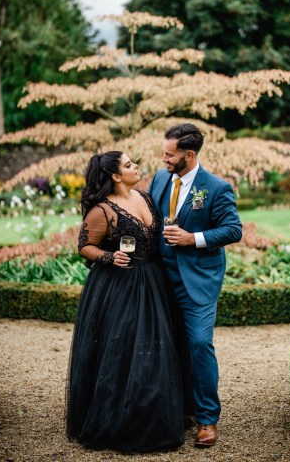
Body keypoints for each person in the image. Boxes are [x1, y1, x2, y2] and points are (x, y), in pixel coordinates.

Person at [66, 151, 186, 453]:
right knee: (124, 352)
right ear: (115, 176)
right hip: (120, 286)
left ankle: (155, 416)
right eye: (129, 165)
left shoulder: (144, 197)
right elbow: (85, 247)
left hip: (153, 281)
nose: (137, 167)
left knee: (157, 350)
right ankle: (120, 420)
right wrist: (108, 256)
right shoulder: (101, 210)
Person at [149, 123, 243, 447]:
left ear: (189, 155)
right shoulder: (161, 178)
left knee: (200, 344)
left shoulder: (216, 188)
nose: (163, 159)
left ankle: (207, 419)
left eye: (169, 154)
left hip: (198, 281)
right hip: (161, 278)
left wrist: (193, 238)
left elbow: (233, 230)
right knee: (166, 344)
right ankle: (176, 408)